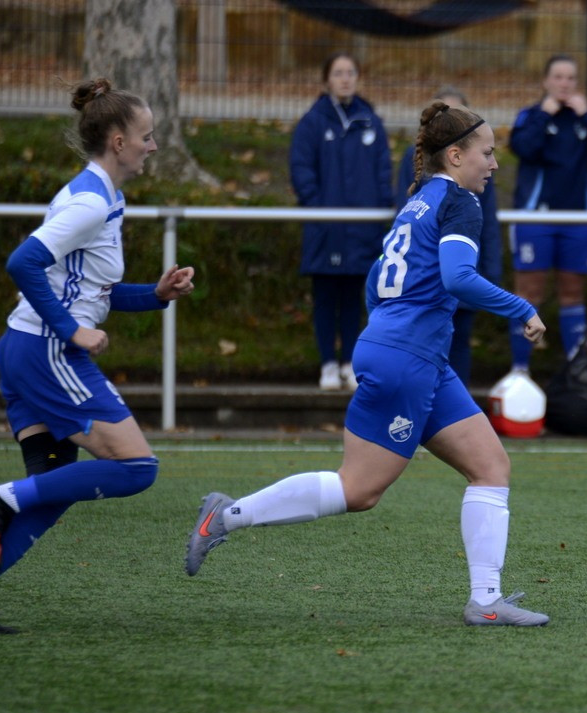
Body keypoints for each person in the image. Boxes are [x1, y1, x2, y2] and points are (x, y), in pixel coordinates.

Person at [187, 101, 550, 627]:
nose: (494, 164)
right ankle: (227, 516)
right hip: (408, 359)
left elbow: (376, 280)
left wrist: (389, 330)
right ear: (455, 155)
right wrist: (521, 308)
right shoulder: (460, 201)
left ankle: (486, 601)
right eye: (488, 153)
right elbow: (458, 278)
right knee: (358, 490)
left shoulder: (419, 200)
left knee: (491, 466)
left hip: (412, 355)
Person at [0, 78, 195, 634]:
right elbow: (22, 262)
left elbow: (90, 289)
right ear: (118, 142)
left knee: (50, 489)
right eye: (147, 136)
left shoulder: (100, 195)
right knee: (137, 467)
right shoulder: (92, 202)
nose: (153, 145)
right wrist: (72, 331)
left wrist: (156, 295)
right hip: (45, 352)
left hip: (23, 348)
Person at [290, 52, 394, 392]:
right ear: (327, 80)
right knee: (325, 297)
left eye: (351, 72)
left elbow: (383, 171)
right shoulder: (313, 122)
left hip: (363, 229)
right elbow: (301, 169)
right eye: (339, 73)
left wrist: (382, 207)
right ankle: (328, 364)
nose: (346, 78)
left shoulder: (371, 121)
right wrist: (318, 208)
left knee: (355, 298)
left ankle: (350, 362)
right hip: (326, 229)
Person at [506, 54, 587, 374]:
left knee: (572, 292)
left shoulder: (584, 119)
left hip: (578, 220)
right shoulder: (531, 115)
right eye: (558, 77)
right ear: (546, 81)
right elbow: (523, 148)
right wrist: (544, 115)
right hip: (535, 219)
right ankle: (519, 370)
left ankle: (575, 371)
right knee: (529, 293)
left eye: (570, 78)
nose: (564, 83)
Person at [396, 85, 503, 386]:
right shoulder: (443, 191)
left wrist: (490, 273)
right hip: (428, 287)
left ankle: (452, 403)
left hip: (455, 282)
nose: (493, 164)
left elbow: (489, 226)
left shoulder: (476, 180)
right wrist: (521, 309)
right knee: (423, 356)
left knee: (456, 348)